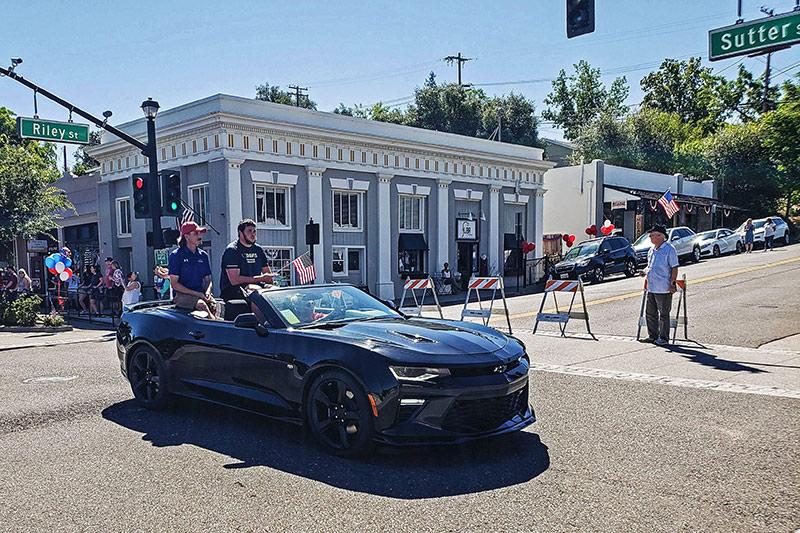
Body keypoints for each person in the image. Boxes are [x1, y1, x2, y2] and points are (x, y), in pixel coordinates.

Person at [168, 221, 218, 319]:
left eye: (199, 233)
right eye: (195, 233)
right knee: (202, 306)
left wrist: (207, 292)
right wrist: (197, 294)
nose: (199, 236)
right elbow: (174, 284)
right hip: (182, 295)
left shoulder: (203, 255)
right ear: (186, 237)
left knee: (218, 306)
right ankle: (218, 326)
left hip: (201, 294)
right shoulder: (176, 255)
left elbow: (207, 279)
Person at [640, 224, 679, 346]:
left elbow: (674, 267)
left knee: (663, 314)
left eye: (653, 235)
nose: (651, 238)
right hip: (651, 286)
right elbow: (650, 266)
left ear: (661, 236)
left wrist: (672, 283)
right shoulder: (652, 250)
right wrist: (644, 271)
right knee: (650, 313)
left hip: (663, 287)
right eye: (650, 236)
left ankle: (663, 337)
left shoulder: (669, 249)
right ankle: (652, 336)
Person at [219, 219, 273, 302]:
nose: (253, 234)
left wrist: (269, 279)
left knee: (275, 291)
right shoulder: (232, 250)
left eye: (254, 231)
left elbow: (267, 273)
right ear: (241, 233)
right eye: (249, 231)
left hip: (257, 285)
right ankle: (258, 315)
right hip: (234, 290)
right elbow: (234, 280)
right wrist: (261, 278)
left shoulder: (258, 249)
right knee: (257, 293)